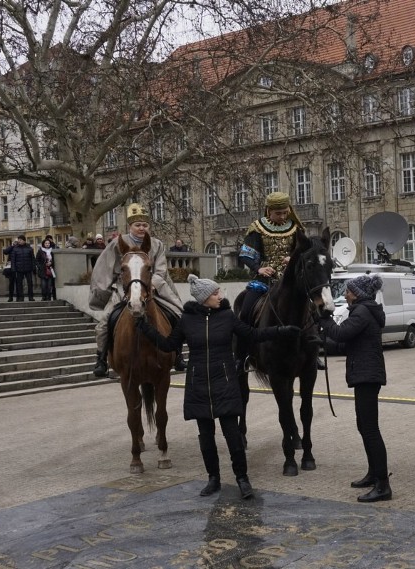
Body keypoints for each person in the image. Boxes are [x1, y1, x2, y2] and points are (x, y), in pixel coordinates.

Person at [136, 275, 301, 499]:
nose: (220, 296)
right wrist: (145, 328)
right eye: (215, 293)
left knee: (233, 436)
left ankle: (242, 479)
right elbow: (168, 345)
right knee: (206, 438)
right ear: (204, 298)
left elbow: (252, 334)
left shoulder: (227, 316)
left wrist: (281, 331)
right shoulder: (187, 320)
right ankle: (213, 479)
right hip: (199, 385)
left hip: (224, 383)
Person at [318, 274, 392, 503]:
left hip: (366, 376)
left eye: (348, 291)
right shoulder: (365, 310)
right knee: (364, 426)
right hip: (365, 374)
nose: (345, 294)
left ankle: (383, 485)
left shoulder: (362, 311)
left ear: (357, 293)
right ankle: (373, 474)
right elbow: (343, 342)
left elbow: (340, 333)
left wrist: (325, 317)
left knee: (370, 429)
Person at [89, 204, 186, 377]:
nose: (142, 228)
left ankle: (177, 354)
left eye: (144, 225)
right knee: (104, 322)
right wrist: (102, 292)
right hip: (125, 290)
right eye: (137, 225)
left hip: (153, 287)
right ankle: (101, 358)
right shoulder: (117, 244)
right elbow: (105, 268)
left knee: (177, 314)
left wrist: (152, 284)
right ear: (130, 226)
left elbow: (161, 269)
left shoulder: (157, 244)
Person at [237, 191, 323, 370]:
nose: (283, 216)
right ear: (269, 211)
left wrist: (293, 258)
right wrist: (258, 267)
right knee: (245, 311)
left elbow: (305, 252)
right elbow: (246, 254)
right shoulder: (257, 228)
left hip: (290, 278)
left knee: (314, 308)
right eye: (278, 213)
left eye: (285, 212)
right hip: (265, 279)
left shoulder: (295, 228)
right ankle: (243, 354)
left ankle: (314, 349)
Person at [3, 235, 35, 302]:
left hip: (28, 269)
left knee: (30, 283)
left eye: (20, 240)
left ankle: (31, 297)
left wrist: (33, 268)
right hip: (19, 269)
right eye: (18, 240)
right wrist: (14, 269)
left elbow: (33, 259)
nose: (19, 241)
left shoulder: (29, 248)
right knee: (19, 284)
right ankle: (20, 297)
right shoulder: (15, 248)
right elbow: (12, 259)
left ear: (24, 240)